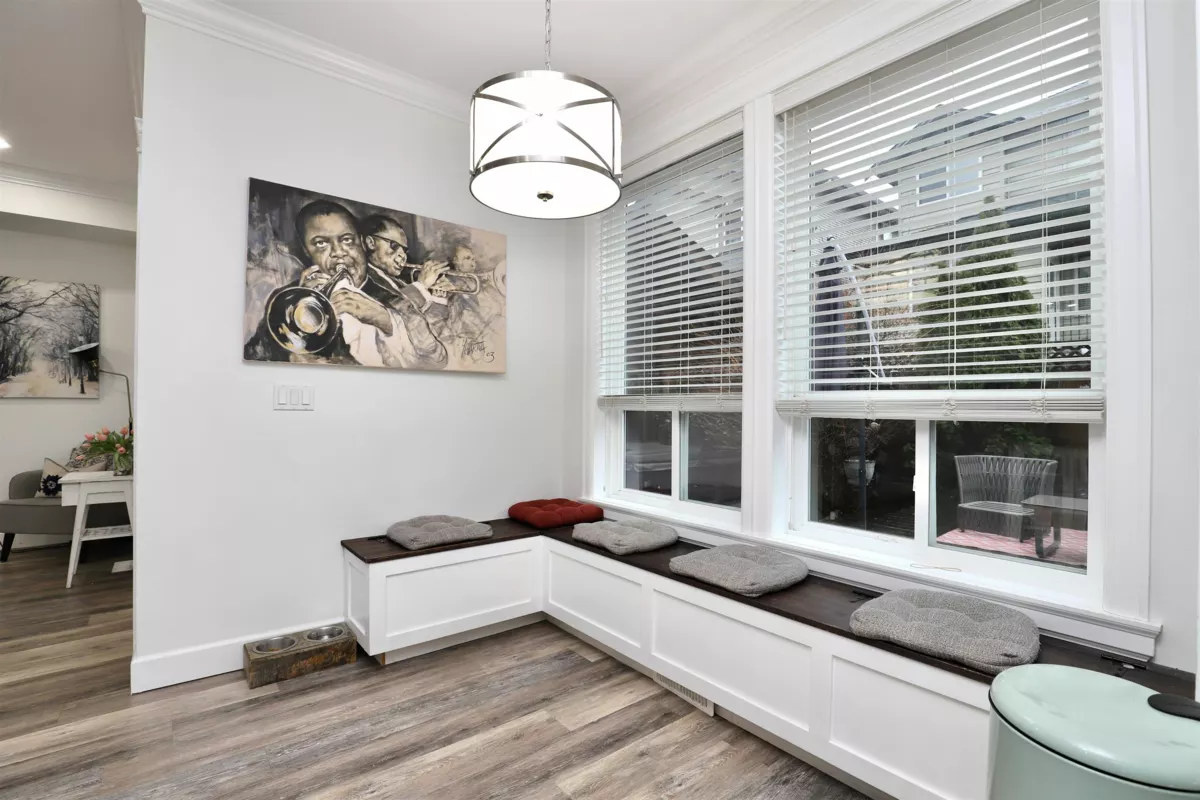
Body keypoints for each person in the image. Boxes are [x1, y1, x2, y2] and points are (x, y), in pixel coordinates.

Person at [244, 200, 446, 369]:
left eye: (347, 240)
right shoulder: (288, 297)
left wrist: (383, 318)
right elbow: (256, 354)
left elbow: (436, 360)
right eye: (321, 243)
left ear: (362, 243)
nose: (338, 252)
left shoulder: (394, 295)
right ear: (307, 251)